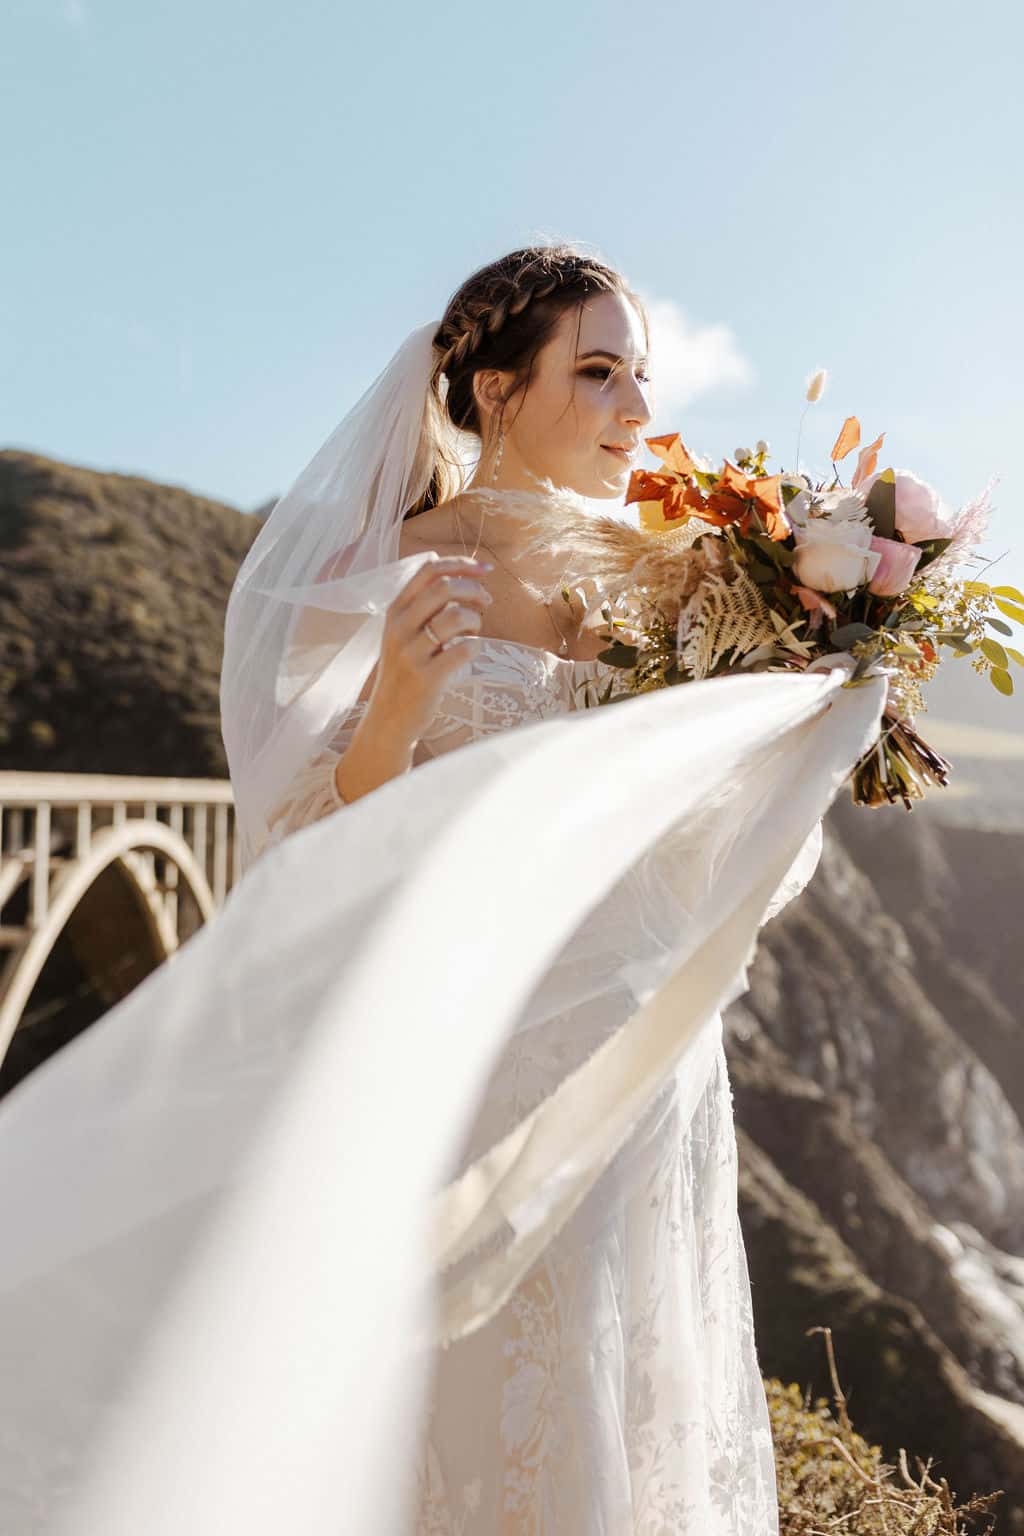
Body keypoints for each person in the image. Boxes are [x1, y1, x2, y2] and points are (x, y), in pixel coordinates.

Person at [0, 242, 886, 1535]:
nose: (637, 410)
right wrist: (395, 715)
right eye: (596, 373)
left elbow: (718, 828)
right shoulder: (383, 576)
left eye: (640, 375)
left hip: (644, 1061)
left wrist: (845, 683)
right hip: (470, 1058)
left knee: (632, 1395)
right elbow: (302, 853)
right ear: (489, 393)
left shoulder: (683, 574)